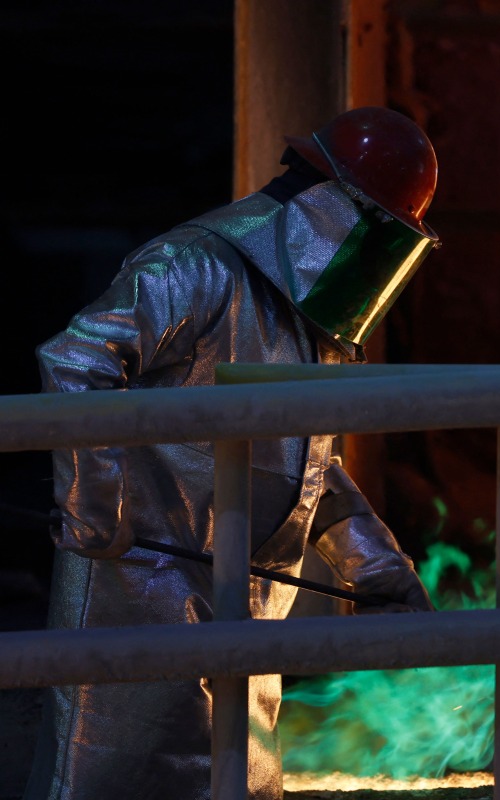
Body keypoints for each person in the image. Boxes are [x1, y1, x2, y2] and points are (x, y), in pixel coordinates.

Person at [25, 107, 440, 800]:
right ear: (340, 214)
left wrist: (375, 569)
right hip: (138, 589)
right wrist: (93, 507)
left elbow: (311, 463)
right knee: (114, 779)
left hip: (246, 604)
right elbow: (76, 360)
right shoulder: (195, 267)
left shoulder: (312, 325)